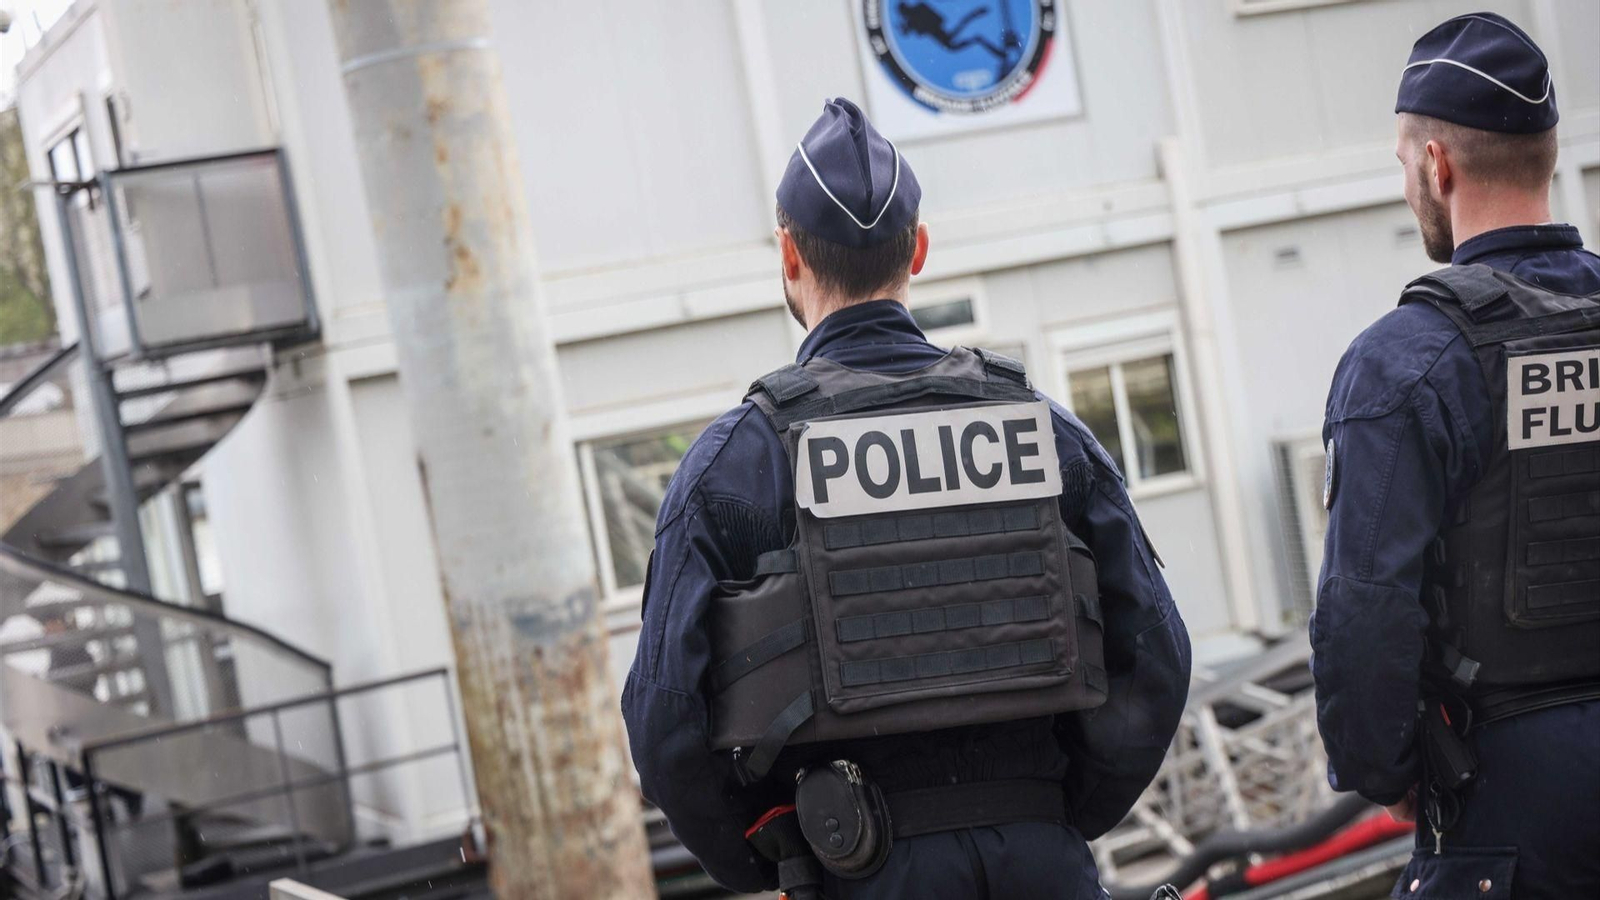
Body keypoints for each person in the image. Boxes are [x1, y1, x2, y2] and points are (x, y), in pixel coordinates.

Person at [621, 97, 1190, 899]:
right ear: (918, 249)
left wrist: (781, 851)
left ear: (789, 255)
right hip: (1043, 860)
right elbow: (1157, 655)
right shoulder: (1043, 432)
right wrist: (1055, 811)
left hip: (855, 870)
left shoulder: (735, 464)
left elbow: (665, 723)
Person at [1312, 12, 1599, 899]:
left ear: (1436, 165)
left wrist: (1386, 767)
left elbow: (1364, 614)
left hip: (1507, 805)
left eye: (1404, 164)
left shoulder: (1405, 361)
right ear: (1547, 154)